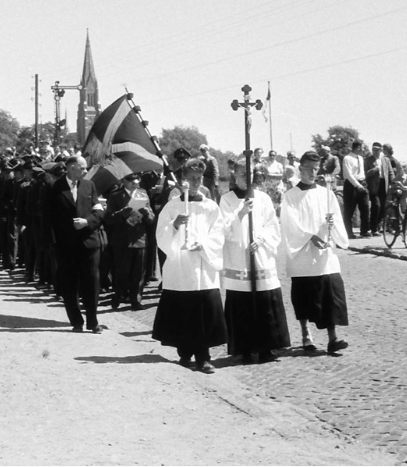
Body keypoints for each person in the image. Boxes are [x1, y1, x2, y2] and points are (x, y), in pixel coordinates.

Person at [152, 158, 227, 373]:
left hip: (203, 267)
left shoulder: (210, 207)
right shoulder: (173, 206)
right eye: (191, 178)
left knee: (203, 313)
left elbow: (218, 234)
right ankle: (184, 353)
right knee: (183, 312)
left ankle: (204, 356)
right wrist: (175, 225)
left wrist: (203, 245)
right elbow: (161, 236)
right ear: (183, 180)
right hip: (181, 268)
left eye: (199, 178)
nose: (195, 182)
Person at [279, 150, 351, 355]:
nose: (312, 172)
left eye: (315, 169)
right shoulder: (291, 196)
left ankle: (333, 337)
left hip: (324, 255)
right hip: (303, 255)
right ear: (300, 169)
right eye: (308, 168)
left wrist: (331, 225)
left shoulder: (326, 194)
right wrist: (310, 237)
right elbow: (290, 224)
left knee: (331, 293)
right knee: (304, 296)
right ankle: (305, 334)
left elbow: (336, 218)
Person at [220, 159, 290, 364]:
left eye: (249, 174)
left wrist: (261, 240)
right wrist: (240, 214)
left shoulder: (264, 198)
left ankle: (267, 347)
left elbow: (272, 225)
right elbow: (222, 229)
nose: (246, 178)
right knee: (242, 305)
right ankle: (245, 349)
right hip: (239, 259)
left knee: (265, 302)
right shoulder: (226, 199)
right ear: (234, 175)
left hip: (260, 256)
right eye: (242, 174)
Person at [46, 155, 106, 332]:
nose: (86, 171)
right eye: (83, 168)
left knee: (92, 282)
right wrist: (52, 243)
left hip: (89, 242)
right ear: (71, 167)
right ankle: (76, 321)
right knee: (69, 284)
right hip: (66, 245)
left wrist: (87, 222)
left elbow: (99, 212)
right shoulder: (54, 188)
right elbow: (48, 217)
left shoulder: (89, 186)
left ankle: (93, 321)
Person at [105, 172, 154, 310]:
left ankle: (136, 300)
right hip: (122, 240)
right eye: (132, 180)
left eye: (137, 180)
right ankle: (117, 296)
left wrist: (147, 214)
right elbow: (108, 218)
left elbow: (151, 218)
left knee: (138, 274)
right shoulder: (115, 195)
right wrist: (122, 213)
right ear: (124, 181)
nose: (135, 183)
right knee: (121, 272)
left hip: (139, 238)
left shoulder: (143, 194)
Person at [342, 141, 370, 239]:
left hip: (361, 183)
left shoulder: (361, 158)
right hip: (351, 184)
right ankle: (348, 232)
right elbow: (349, 175)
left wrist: (363, 183)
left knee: (365, 207)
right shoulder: (347, 158)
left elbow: (361, 172)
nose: (363, 150)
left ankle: (364, 231)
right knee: (350, 209)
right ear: (357, 147)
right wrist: (357, 185)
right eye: (362, 147)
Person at [365, 142, 394, 234]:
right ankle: (373, 229)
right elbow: (365, 174)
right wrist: (374, 170)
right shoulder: (368, 160)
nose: (375, 152)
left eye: (377, 150)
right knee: (376, 206)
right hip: (373, 186)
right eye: (373, 150)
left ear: (381, 150)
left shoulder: (386, 160)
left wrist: (393, 182)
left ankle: (375, 225)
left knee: (382, 208)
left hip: (383, 185)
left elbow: (390, 172)